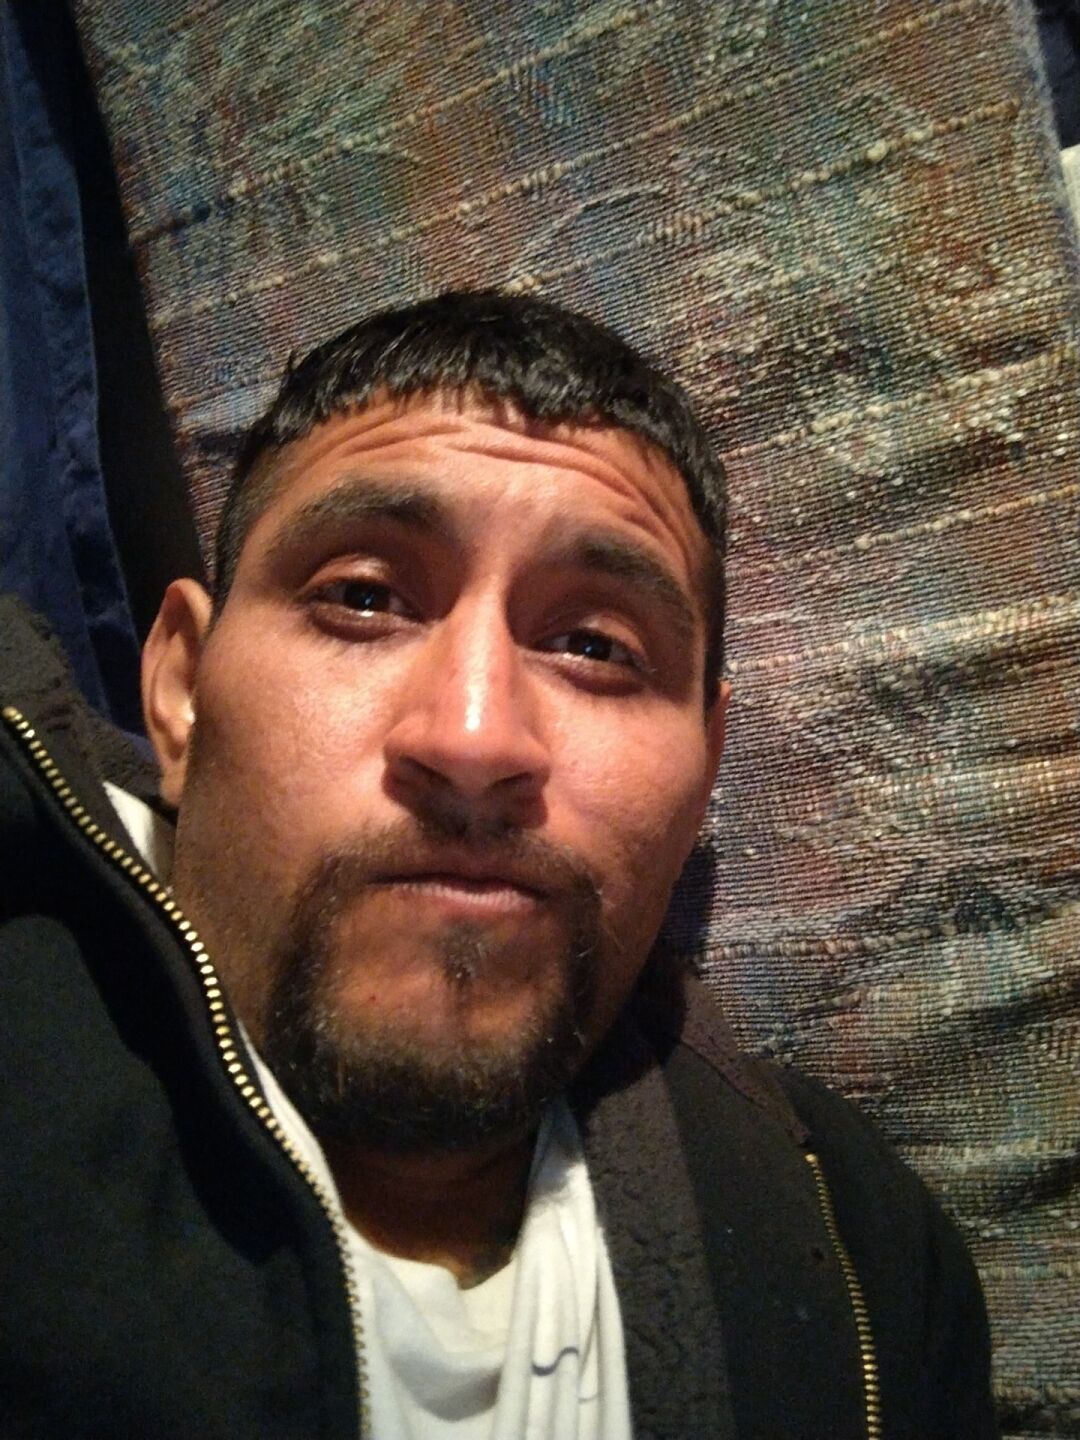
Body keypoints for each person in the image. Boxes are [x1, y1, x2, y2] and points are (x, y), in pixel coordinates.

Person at [0, 290, 996, 1439]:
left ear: (707, 771)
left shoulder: (869, 1259)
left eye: (594, 646)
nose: (474, 739)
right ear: (180, 690)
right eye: (363, 598)